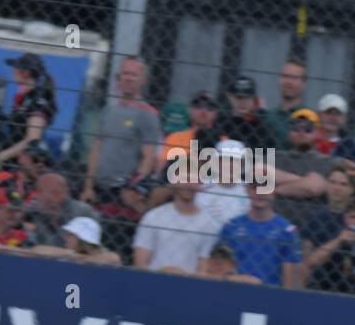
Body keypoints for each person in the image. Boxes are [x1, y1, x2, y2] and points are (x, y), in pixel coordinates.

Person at [82, 56, 160, 203]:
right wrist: (88, 187)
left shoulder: (147, 114)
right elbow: (96, 150)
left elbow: (148, 158)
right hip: (98, 188)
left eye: (133, 75)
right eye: (125, 73)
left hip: (122, 191)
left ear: (143, 80)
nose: (128, 78)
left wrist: (133, 188)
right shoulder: (108, 110)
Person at [218, 182, 304, 287]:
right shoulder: (231, 227)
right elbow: (220, 272)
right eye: (255, 188)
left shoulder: (287, 231)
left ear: (273, 192)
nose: (260, 193)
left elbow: (291, 284)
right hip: (234, 291)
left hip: (271, 297)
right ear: (247, 190)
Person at [132, 177, 218, 274]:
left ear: (200, 184)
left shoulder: (209, 224)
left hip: (190, 285)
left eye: (194, 180)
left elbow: (204, 268)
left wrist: (182, 276)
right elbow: (140, 262)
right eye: (184, 178)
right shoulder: (153, 217)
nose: (188, 184)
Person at [0, 51, 56, 172]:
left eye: (16, 69)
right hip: (12, 159)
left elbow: (32, 139)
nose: (12, 72)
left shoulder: (38, 99)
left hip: (20, 164)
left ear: (25, 73)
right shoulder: (25, 98)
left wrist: (1, 156)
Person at [25, 172, 96, 248]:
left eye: (40, 191)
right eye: (38, 191)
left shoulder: (82, 212)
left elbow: (85, 249)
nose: (37, 196)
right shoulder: (35, 210)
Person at [159, 91, 221, 166]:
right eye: (198, 106)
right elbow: (162, 167)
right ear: (189, 110)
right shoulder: (175, 138)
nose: (203, 111)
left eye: (210, 107)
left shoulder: (223, 141)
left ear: (216, 113)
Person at [217, 76, 277, 151]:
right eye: (239, 97)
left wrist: (262, 114)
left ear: (254, 99)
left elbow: (268, 156)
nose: (243, 102)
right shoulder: (221, 123)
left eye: (247, 97)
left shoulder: (261, 129)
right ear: (230, 97)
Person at [31, 216, 122, 265]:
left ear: (83, 239)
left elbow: (114, 259)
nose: (65, 238)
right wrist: (70, 254)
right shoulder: (67, 254)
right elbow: (36, 250)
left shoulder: (104, 257)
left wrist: (81, 258)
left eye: (70, 235)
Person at [313, 93, 355, 164]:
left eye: (338, 114)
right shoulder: (309, 137)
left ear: (344, 118)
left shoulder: (349, 145)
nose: (333, 118)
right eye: (328, 112)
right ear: (319, 115)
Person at [263, 59, 308, 143]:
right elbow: (261, 152)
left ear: (304, 83)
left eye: (294, 78)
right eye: (285, 76)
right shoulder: (269, 116)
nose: (288, 82)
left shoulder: (309, 117)